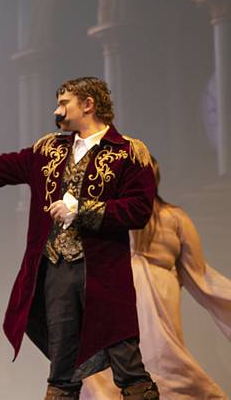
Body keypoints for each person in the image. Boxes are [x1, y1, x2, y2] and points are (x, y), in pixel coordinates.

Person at [0, 77, 159, 400]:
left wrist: (82, 210)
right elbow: (2, 168)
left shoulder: (129, 154)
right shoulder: (49, 149)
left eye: (65, 103)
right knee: (62, 369)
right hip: (57, 271)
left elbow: (139, 209)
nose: (57, 110)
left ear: (88, 104)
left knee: (126, 363)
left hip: (103, 275)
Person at [82, 158, 231, 399]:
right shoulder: (108, 215)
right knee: (111, 367)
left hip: (160, 292)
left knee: (166, 357)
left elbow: (199, 274)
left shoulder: (173, 216)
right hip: (117, 293)